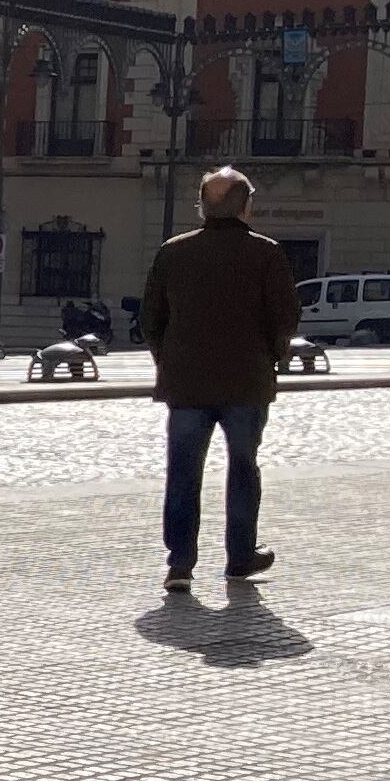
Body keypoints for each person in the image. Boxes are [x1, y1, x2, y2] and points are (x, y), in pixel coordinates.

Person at [138, 165, 303, 592]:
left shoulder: (173, 252)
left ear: (201, 207)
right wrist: (271, 355)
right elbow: (285, 317)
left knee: (183, 472)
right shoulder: (266, 253)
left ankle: (179, 564)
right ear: (246, 206)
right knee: (243, 467)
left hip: (186, 384)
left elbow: (150, 319)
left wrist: (168, 360)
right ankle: (240, 557)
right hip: (247, 382)